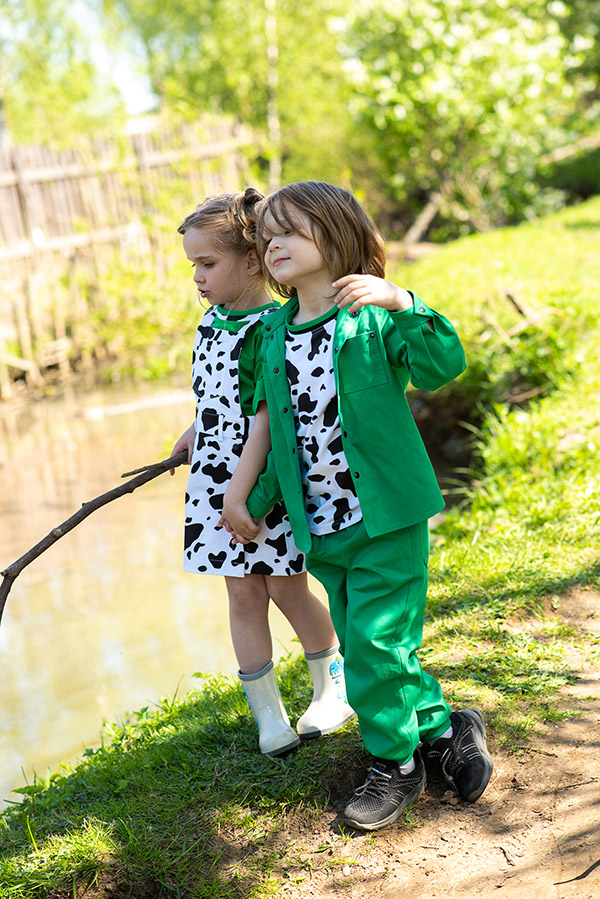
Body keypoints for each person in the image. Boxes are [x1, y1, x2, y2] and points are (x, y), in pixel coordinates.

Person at [222, 181, 493, 830]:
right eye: (266, 236)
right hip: (325, 530)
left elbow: (442, 363)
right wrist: (251, 501)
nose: (273, 243)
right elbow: (282, 437)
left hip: (388, 519)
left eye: (291, 231)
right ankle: (445, 725)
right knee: (375, 646)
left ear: (336, 232)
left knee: (374, 643)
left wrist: (402, 300)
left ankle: (392, 765)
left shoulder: (371, 316)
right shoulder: (272, 336)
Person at [170, 188, 355, 758]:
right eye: (193, 266)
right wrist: (194, 431)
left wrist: (245, 491)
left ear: (252, 259)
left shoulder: (274, 328)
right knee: (242, 594)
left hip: (264, 479)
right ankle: (268, 716)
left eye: (208, 264)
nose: (198, 277)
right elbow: (215, 398)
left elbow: (270, 420)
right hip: (212, 477)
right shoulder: (211, 323)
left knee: (285, 586)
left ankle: (332, 690)